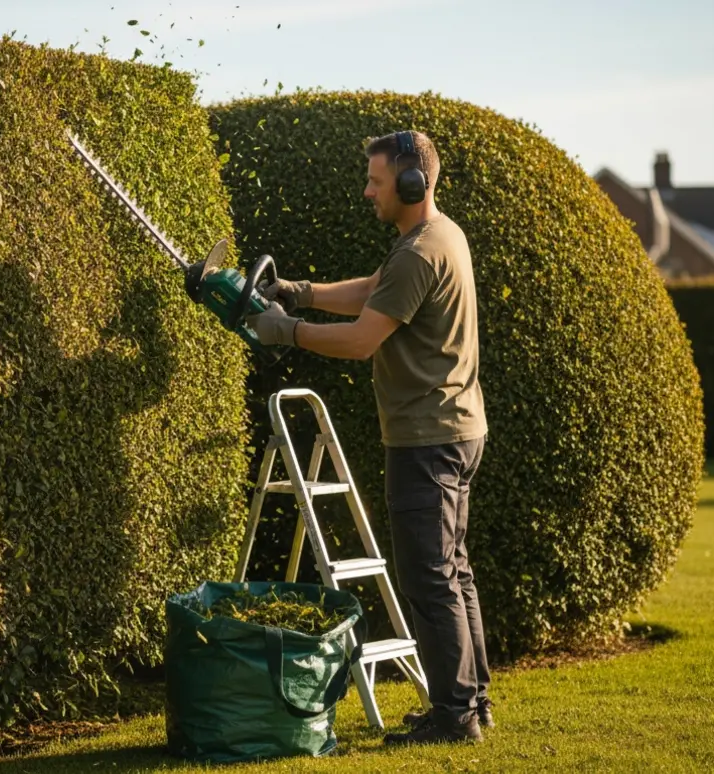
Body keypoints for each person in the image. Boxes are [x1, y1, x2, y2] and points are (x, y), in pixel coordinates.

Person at [245, 130, 492, 746]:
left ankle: (455, 719)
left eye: (376, 182)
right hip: (458, 428)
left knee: (429, 577)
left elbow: (361, 339)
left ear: (412, 184)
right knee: (453, 571)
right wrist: (298, 293)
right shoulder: (438, 236)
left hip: (426, 438)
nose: (366, 191)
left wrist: (288, 332)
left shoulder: (418, 253)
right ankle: (471, 702)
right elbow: (374, 291)